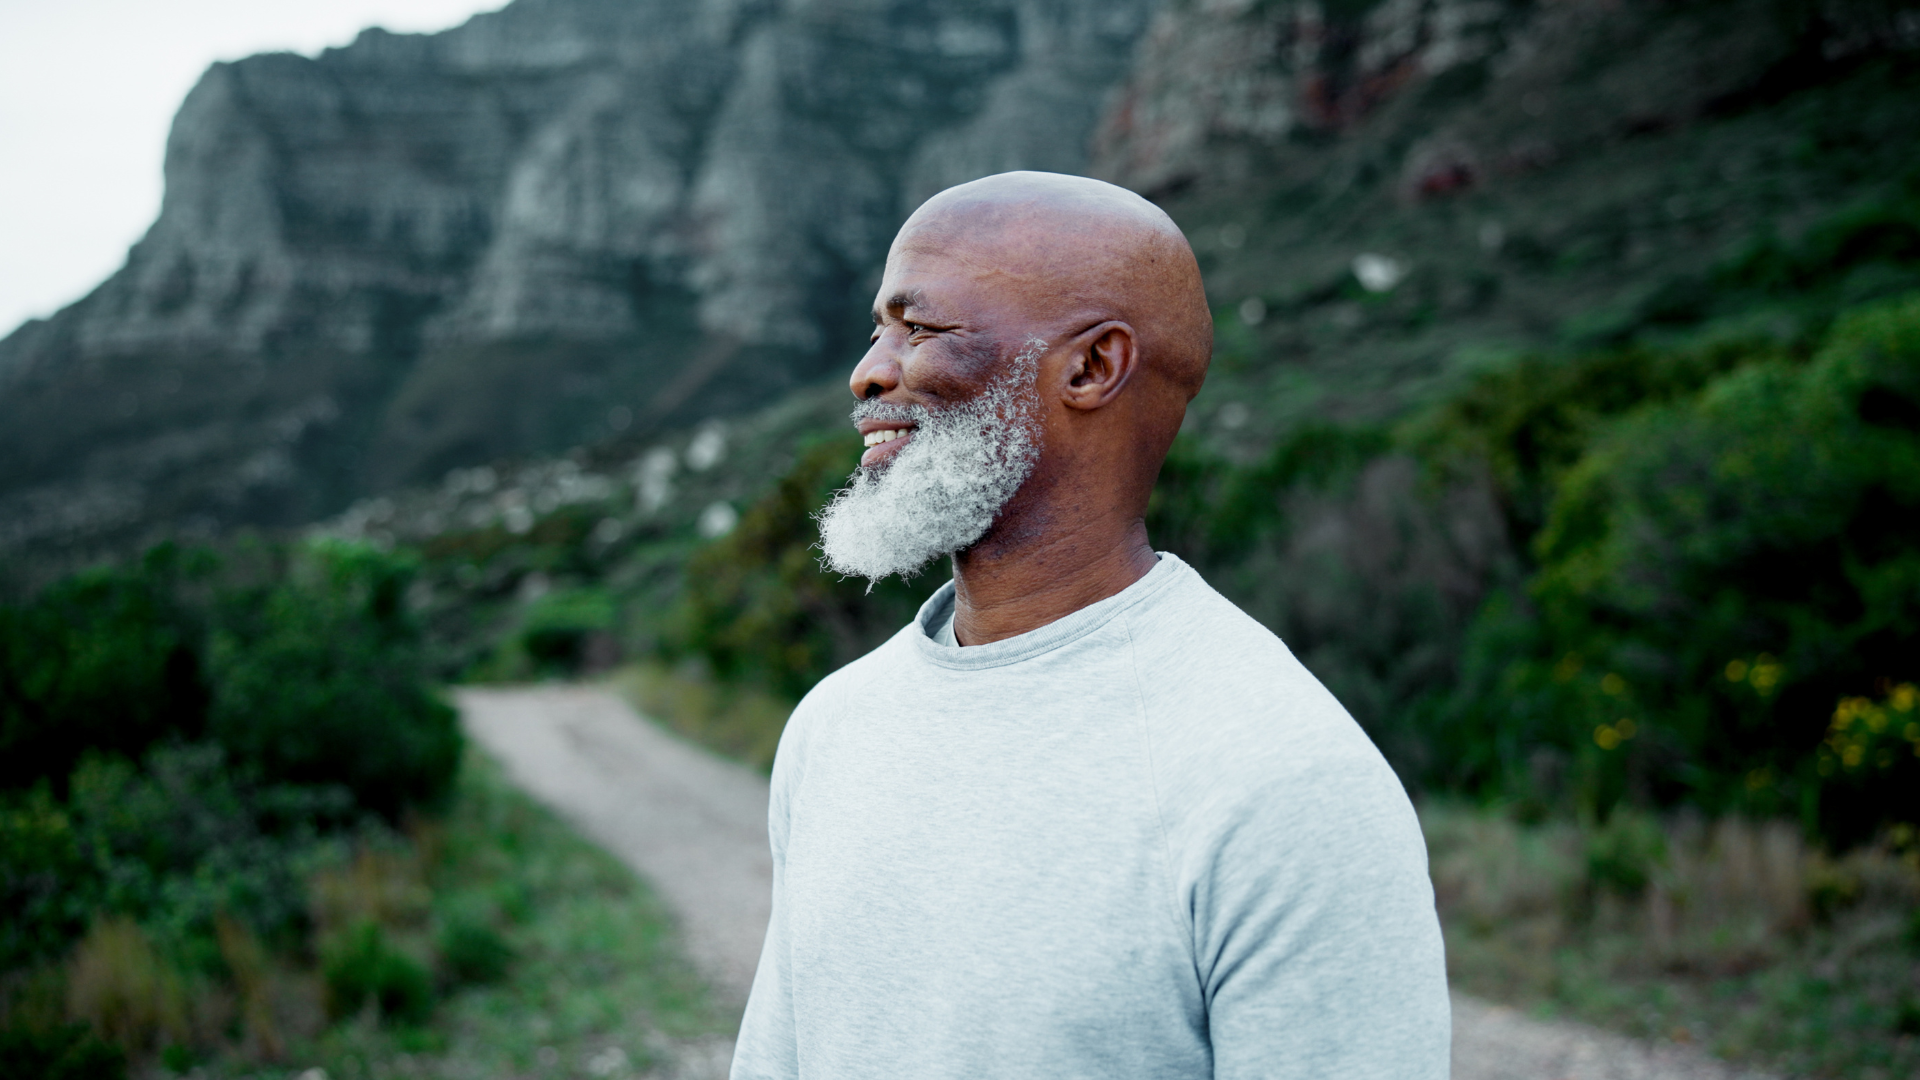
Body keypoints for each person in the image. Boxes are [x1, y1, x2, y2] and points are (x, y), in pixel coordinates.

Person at [730, 171, 1450, 1079]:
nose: (869, 370)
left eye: (921, 329)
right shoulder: (834, 725)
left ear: (1090, 368)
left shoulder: (1287, 782)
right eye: (878, 329)